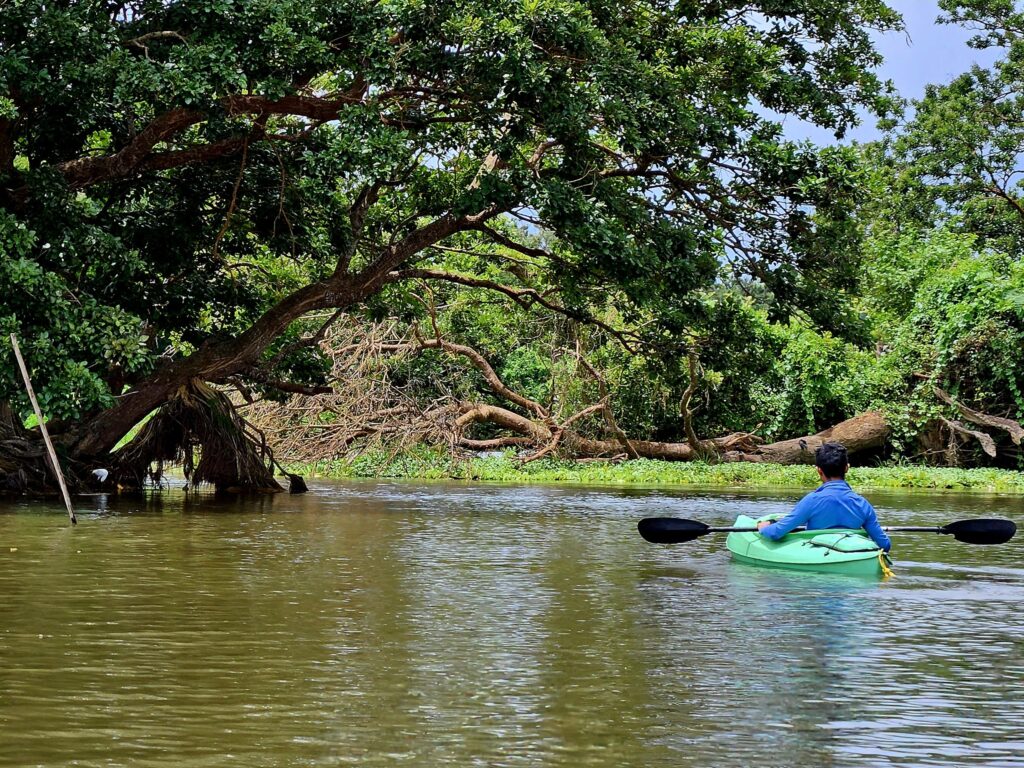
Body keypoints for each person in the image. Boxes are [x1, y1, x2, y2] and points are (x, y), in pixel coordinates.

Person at [756, 442, 891, 551]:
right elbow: (884, 545)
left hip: (818, 555)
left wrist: (763, 528)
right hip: (852, 555)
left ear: (819, 470)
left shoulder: (812, 501)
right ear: (846, 468)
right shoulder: (862, 504)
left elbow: (775, 533)